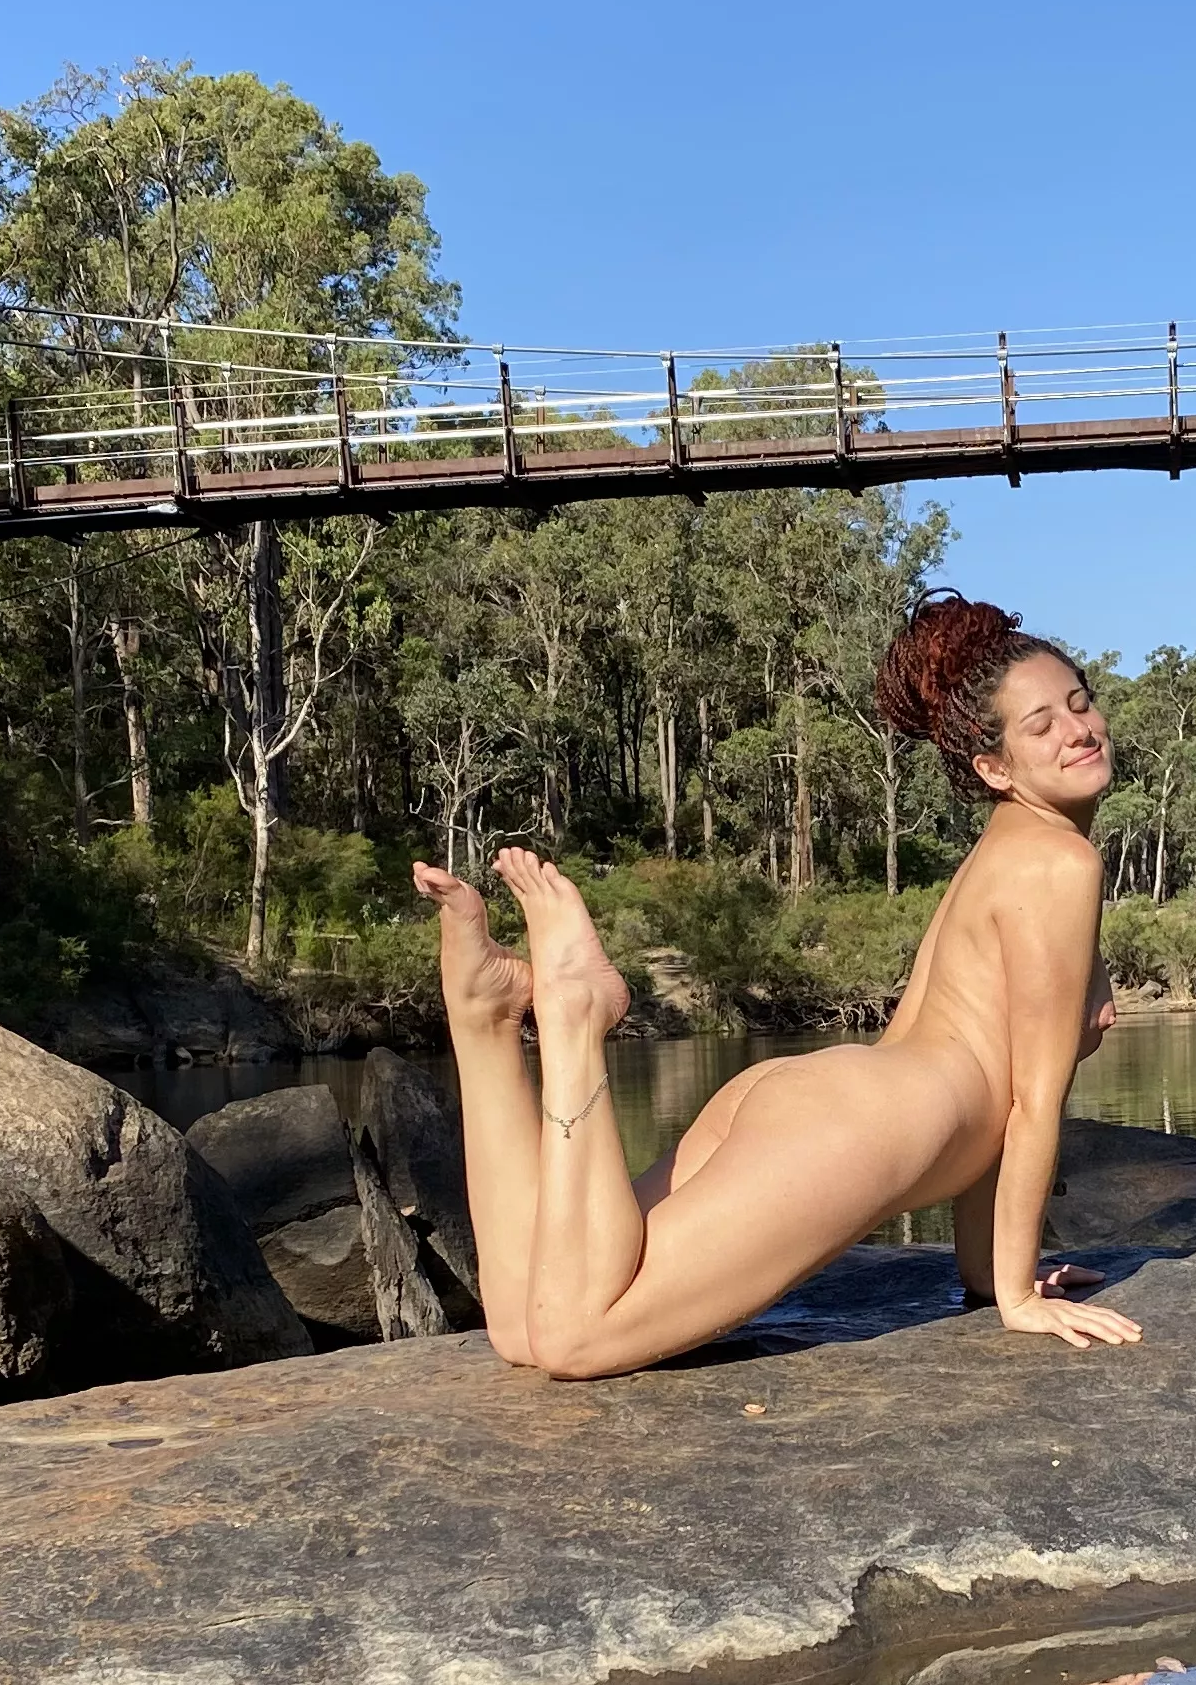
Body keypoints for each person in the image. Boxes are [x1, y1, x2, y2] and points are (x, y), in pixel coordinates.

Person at [412, 591, 1143, 1380]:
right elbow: (1032, 1097)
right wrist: (1016, 1299)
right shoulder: (1061, 863)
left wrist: (989, 1273)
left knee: (528, 1326)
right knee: (573, 1342)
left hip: (827, 1103)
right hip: (855, 1133)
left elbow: (996, 1101)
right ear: (993, 767)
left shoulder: (1005, 852)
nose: (1078, 729)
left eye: (1080, 703)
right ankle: (572, 1017)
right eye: (1043, 724)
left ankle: (485, 1024)